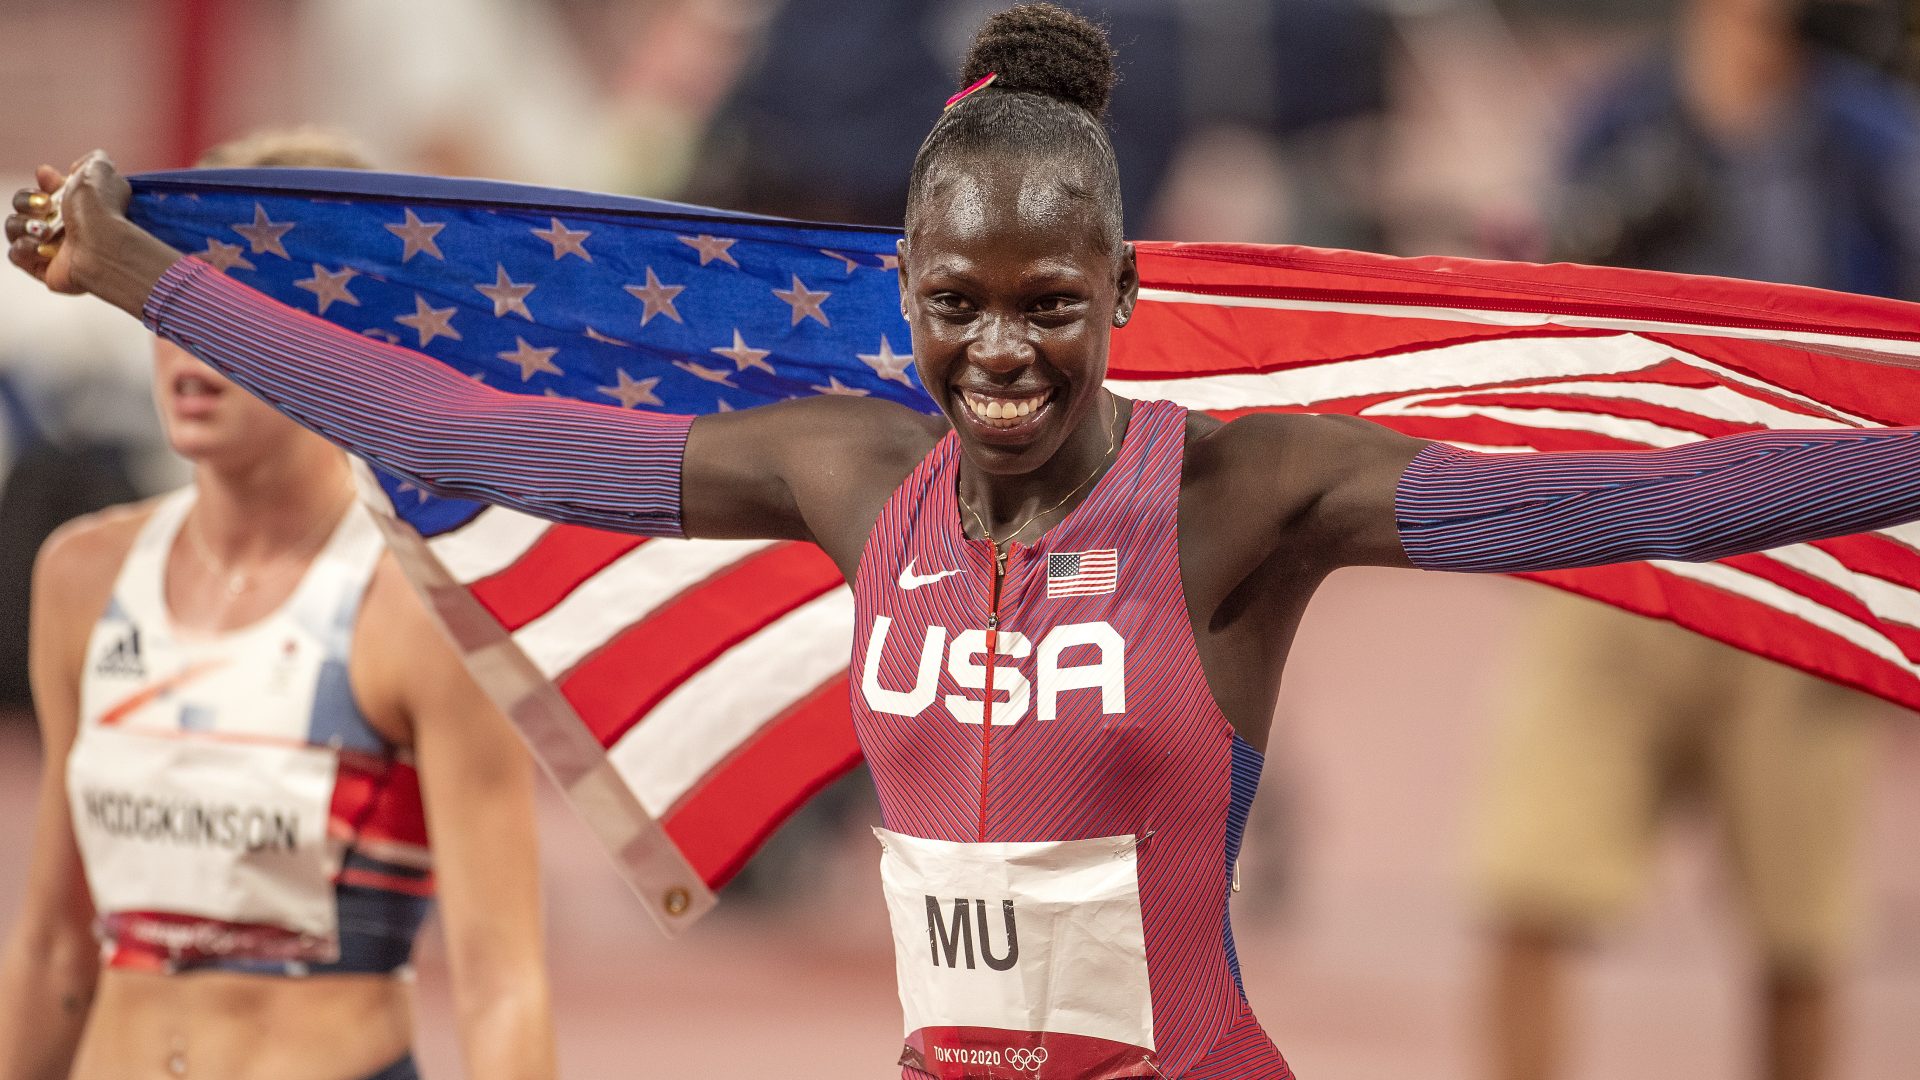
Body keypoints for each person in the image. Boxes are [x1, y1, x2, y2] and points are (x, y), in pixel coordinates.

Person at [11, 5, 1920, 1076]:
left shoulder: (1250, 497)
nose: (1000, 350)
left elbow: (1647, 502)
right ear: (905, 292)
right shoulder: (847, 478)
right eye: (958, 302)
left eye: (1047, 303)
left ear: (1122, 285)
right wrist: (141, 277)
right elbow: (455, 428)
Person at [0, 131, 556, 1080]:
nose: (193, 339)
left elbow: (500, 983)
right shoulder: (81, 576)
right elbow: (56, 945)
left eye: (243, 301)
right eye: (168, 288)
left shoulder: (417, 609)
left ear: (353, 335)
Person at [1481, 4, 1920, 1079]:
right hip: (1619, 560)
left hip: (1808, 566)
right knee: (1531, 880)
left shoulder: (1870, 139)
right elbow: (1539, 321)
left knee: (1801, 931)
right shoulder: (1621, 119)